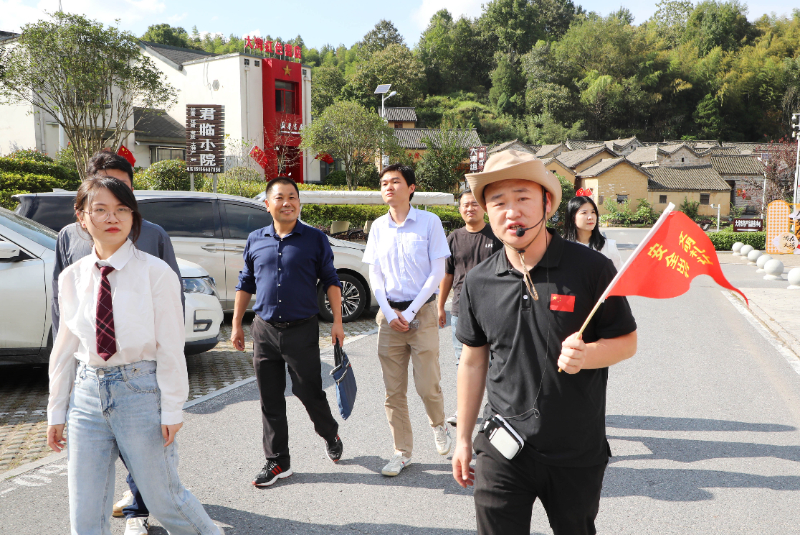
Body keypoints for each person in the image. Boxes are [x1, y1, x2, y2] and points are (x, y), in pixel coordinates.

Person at [450, 150, 638, 535]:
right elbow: (472, 361)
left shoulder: (591, 268)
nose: (511, 211)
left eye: (523, 198)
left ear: (547, 204)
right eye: (498, 202)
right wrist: (463, 439)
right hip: (502, 445)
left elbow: (626, 341)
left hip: (575, 449)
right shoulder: (479, 281)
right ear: (487, 211)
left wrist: (588, 355)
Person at [46, 176, 220, 535]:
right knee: (85, 510)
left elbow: (171, 346)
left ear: (133, 215)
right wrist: (56, 409)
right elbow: (64, 346)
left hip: (140, 391)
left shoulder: (156, 272)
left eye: (122, 209)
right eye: (100, 209)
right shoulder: (72, 277)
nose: (113, 217)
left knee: (165, 499)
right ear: (82, 217)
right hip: (86, 397)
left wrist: (172, 408)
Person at [231, 177, 345, 488]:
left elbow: (331, 280)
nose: (287, 203)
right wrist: (236, 323)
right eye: (280, 197)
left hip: (302, 330)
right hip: (264, 330)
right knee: (270, 398)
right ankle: (278, 460)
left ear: (299, 203)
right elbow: (245, 282)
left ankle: (329, 433)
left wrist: (337, 321)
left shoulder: (314, 239)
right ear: (268, 204)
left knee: (308, 392)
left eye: (292, 197)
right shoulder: (255, 239)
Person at [362, 163, 452, 477]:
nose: (388, 187)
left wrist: (410, 312)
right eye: (384, 183)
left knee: (427, 385)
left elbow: (438, 272)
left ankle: (439, 425)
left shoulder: (429, 222)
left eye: (395, 181)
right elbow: (374, 273)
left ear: (411, 188)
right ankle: (402, 452)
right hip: (389, 317)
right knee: (393, 391)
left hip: (422, 313)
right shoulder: (378, 227)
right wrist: (389, 313)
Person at [437, 189, 501, 426]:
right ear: (460, 209)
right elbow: (447, 274)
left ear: (483, 207)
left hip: (493, 309)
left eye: (474, 204)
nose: (469, 208)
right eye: (465, 205)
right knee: (462, 362)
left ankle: (495, 410)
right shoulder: (454, 238)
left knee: (495, 362)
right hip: (460, 310)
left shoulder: (496, 236)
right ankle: (464, 410)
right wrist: (440, 306)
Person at [562, 193, 622, 270]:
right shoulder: (561, 247)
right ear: (572, 218)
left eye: (593, 212)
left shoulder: (608, 246)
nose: (590, 217)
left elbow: (620, 273)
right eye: (584, 213)